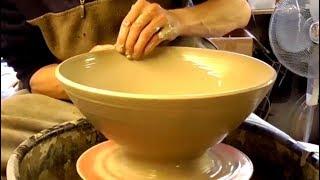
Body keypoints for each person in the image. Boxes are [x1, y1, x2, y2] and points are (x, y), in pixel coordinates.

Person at [1, 0, 251, 175]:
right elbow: (33, 75)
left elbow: (238, 9)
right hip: (78, 100)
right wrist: (90, 77)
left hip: (176, 88)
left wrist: (178, 19)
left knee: (258, 141)